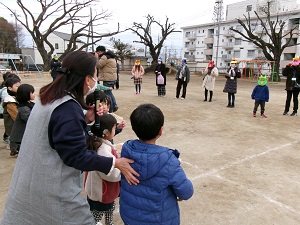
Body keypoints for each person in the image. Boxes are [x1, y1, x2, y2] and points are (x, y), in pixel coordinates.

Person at [0, 51, 139, 225]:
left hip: (28, 189)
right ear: (88, 79)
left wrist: (85, 118)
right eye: (96, 76)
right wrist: (114, 163)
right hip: (51, 195)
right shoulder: (67, 109)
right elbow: (76, 155)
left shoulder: (48, 97)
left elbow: (59, 133)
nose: (96, 81)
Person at [120, 103, 194, 225]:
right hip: (159, 220)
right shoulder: (168, 160)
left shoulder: (127, 150)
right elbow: (186, 192)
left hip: (130, 217)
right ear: (160, 131)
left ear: (133, 128)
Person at [85, 114, 121, 225]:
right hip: (101, 192)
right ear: (106, 133)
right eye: (114, 128)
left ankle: (108, 222)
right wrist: (121, 170)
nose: (116, 130)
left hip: (99, 190)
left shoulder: (98, 143)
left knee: (109, 208)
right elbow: (111, 174)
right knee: (97, 214)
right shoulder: (103, 150)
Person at [9, 84, 35, 156]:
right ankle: (15, 150)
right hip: (19, 137)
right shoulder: (24, 108)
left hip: (21, 136)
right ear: (26, 95)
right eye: (32, 93)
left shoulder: (28, 104)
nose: (34, 94)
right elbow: (28, 119)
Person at [96, 46, 118, 113]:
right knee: (109, 93)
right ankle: (114, 105)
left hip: (108, 78)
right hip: (112, 78)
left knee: (107, 95)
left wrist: (96, 58)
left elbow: (98, 65)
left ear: (100, 51)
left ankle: (111, 108)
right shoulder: (111, 56)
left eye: (97, 52)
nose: (97, 53)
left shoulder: (104, 57)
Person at [2, 76, 21, 154]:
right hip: (12, 123)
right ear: (10, 88)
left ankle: (14, 149)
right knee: (15, 136)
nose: (19, 87)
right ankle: (14, 150)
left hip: (15, 124)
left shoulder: (15, 97)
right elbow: (15, 115)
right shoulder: (10, 101)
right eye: (17, 86)